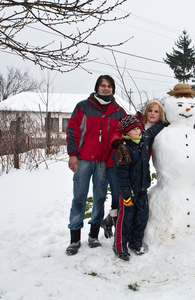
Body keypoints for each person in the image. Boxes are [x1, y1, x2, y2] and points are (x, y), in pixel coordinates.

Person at [65, 75, 126, 256]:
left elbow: (128, 131)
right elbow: (72, 130)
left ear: (113, 89)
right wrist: (72, 154)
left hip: (104, 162)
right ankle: (74, 238)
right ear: (97, 87)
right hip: (83, 159)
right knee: (79, 198)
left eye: (109, 86)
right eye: (103, 86)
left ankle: (93, 235)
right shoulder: (83, 107)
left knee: (99, 198)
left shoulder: (119, 112)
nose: (106, 89)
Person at [101, 100, 165, 239]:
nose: (152, 114)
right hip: (121, 164)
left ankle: (112, 222)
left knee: (131, 203)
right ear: (145, 111)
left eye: (156, 111)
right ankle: (119, 235)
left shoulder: (160, 129)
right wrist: (118, 143)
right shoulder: (134, 122)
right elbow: (117, 131)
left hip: (137, 169)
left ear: (161, 114)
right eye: (150, 110)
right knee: (121, 198)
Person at [112, 115, 167, 261]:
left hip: (142, 189)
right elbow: (121, 175)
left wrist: (167, 122)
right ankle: (120, 247)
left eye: (138, 128)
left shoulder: (143, 140)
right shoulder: (122, 149)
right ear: (125, 132)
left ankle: (136, 243)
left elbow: (153, 131)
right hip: (128, 192)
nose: (137, 131)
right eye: (133, 129)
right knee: (125, 219)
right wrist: (126, 194)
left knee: (141, 217)